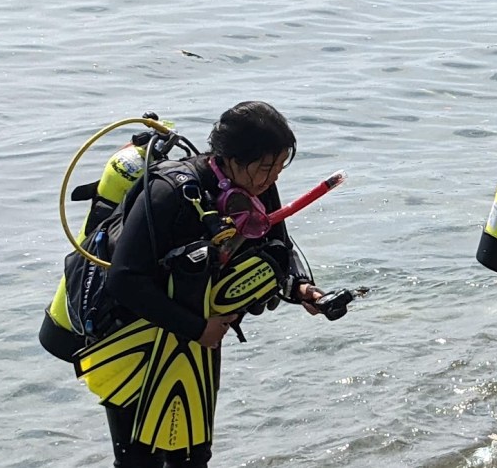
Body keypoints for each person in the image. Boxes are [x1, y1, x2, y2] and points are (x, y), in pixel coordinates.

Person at [77, 101, 329, 467]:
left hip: (195, 335)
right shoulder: (168, 193)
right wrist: (198, 329)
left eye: (279, 166)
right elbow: (123, 279)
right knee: (138, 459)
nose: (272, 177)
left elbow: (277, 249)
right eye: (265, 167)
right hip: (129, 332)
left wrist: (303, 289)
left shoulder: (257, 186)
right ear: (230, 158)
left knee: (194, 456)